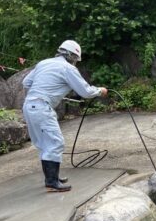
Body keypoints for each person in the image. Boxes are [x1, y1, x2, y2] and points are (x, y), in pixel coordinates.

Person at [22, 40, 108, 192]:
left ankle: (52, 178)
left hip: (29, 106)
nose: (75, 62)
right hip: (42, 107)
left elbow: (26, 82)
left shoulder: (44, 63)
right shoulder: (67, 68)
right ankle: (52, 182)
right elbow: (86, 92)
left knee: (44, 144)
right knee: (55, 142)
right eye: (75, 58)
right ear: (71, 55)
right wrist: (100, 90)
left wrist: (47, 92)